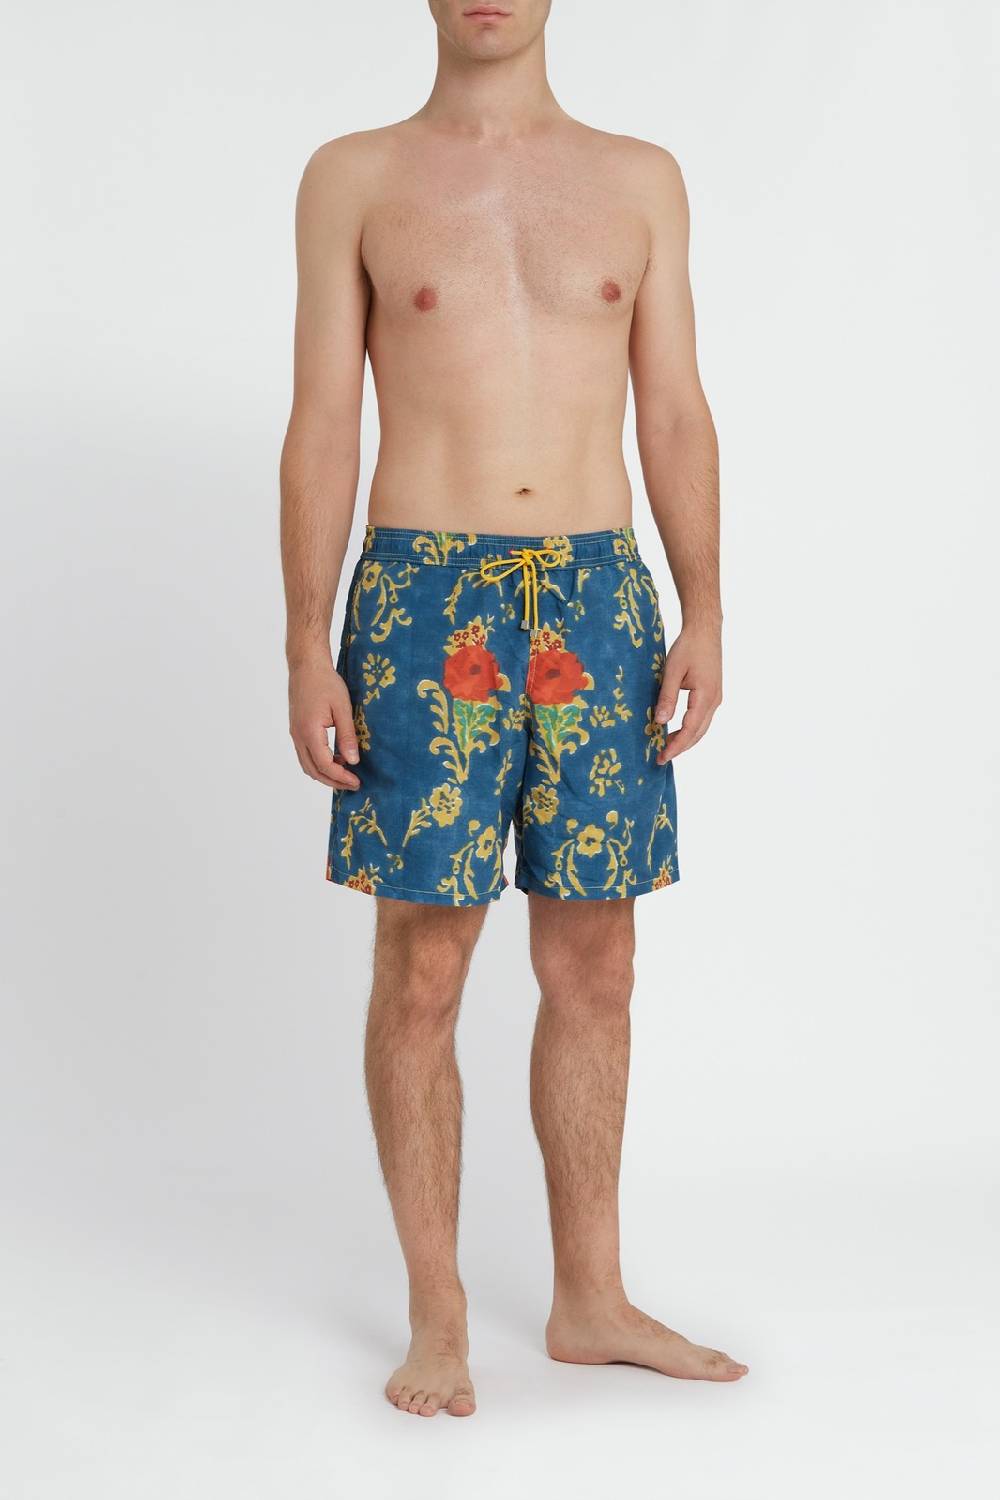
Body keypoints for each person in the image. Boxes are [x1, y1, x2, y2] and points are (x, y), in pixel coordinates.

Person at [280, 0, 746, 1418]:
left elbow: (675, 408)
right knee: (424, 960)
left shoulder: (640, 178)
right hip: (423, 600)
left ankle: (591, 1297)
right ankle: (438, 1314)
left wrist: (704, 606)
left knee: (596, 958)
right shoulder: (355, 176)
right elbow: (323, 418)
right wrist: (306, 641)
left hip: (598, 598)